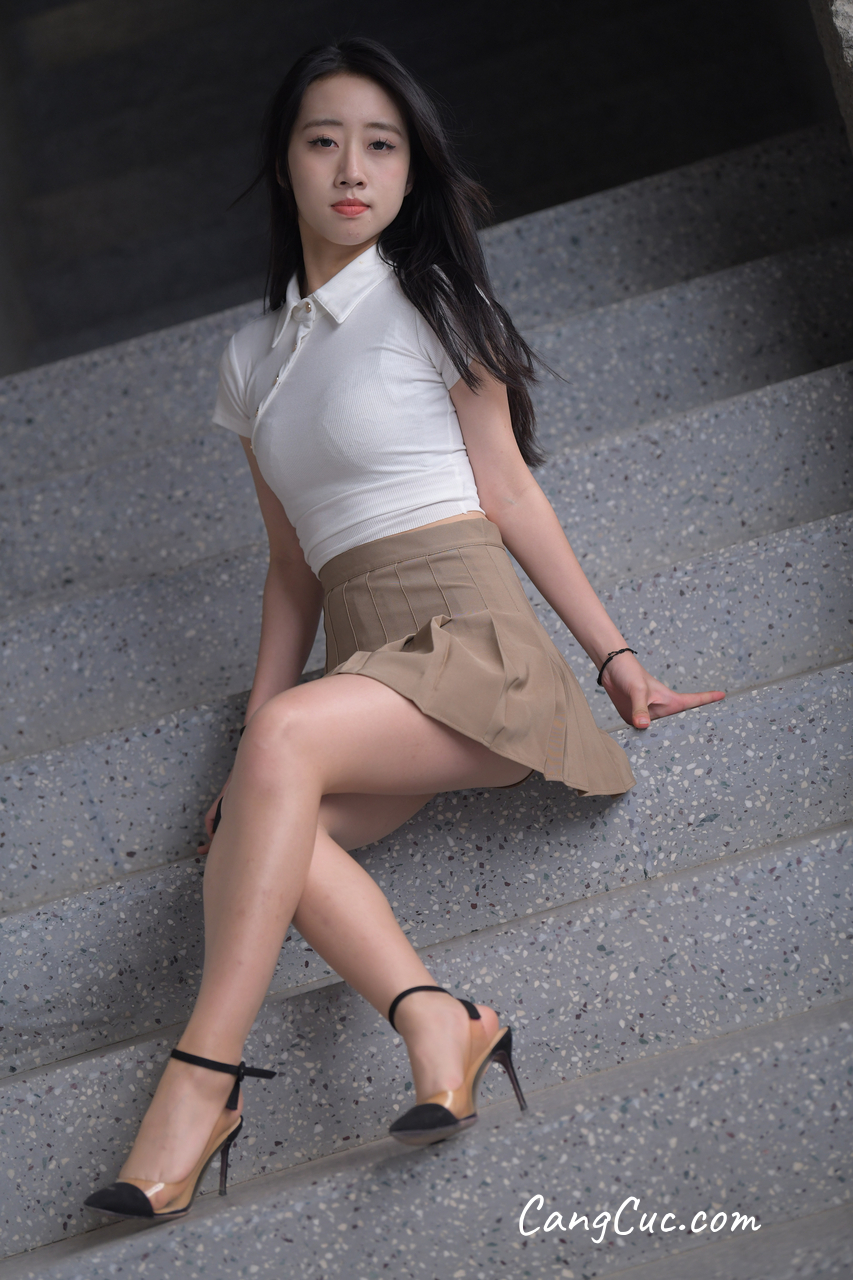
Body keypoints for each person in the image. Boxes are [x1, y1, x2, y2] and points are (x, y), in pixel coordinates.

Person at [83, 37, 725, 1222]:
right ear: (284, 162)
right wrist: (256, 741)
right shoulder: (251, 361)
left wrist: (615, 658)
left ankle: (201, 1080)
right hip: (368, 666)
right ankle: (439, 1016)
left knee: (280, 745)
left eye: (380, 145)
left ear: (410, 170)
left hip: (475, 648)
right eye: (323, 140)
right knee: (254, 832)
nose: (351, 168)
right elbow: (292, 569)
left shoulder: (435, 306)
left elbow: (510, 492)